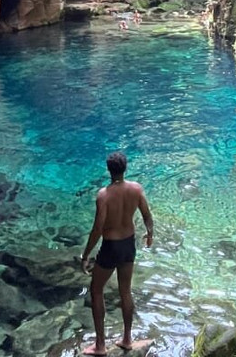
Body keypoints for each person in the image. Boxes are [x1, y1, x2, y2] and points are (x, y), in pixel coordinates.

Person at [80, 151, 154, 355]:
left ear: (108, 169)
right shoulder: (136, 189)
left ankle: (100, 345)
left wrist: (86, 255)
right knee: (125, 291)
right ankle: (127, 339)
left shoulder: (104, 195)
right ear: (125, 168)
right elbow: (147, 216)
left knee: (96, 290)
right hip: (128, 245)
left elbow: (97, 229)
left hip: (111, 247)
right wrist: (150, 234)